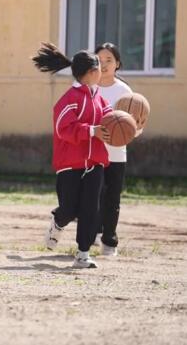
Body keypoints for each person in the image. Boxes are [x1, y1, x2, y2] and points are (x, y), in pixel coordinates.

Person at [33, 42, 111, 268]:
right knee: (69, 210)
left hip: (95, 163)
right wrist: (91, 130)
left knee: (90, 209)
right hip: (70, 165)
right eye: (99, 68)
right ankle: (58, 221)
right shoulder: (69, 100)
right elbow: (63, 129)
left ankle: (83, 254)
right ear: (89, 73)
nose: (102, 72)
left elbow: (108, 118)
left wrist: (123, 124)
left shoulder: (99, 97)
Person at [95, 42, 134, 257]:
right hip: (92, 153)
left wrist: (132, 131)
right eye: (99, 60)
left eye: (109, 60)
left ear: (117, 64)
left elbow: (135, 124)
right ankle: (91, 231)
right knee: (92, 196)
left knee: (112, 198)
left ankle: (109, 241)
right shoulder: (89, 88)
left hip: (117, 154)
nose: (104, 64)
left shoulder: (125, 91)